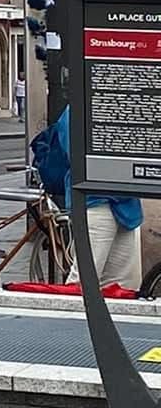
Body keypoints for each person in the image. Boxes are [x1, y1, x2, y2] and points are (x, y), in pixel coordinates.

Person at [41, 106, 143, 288]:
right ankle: (73, 316)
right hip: (95, 200)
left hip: (125, 203)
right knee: (83, 284)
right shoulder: (82, 105)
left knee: (124, 285)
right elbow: (75, 152)